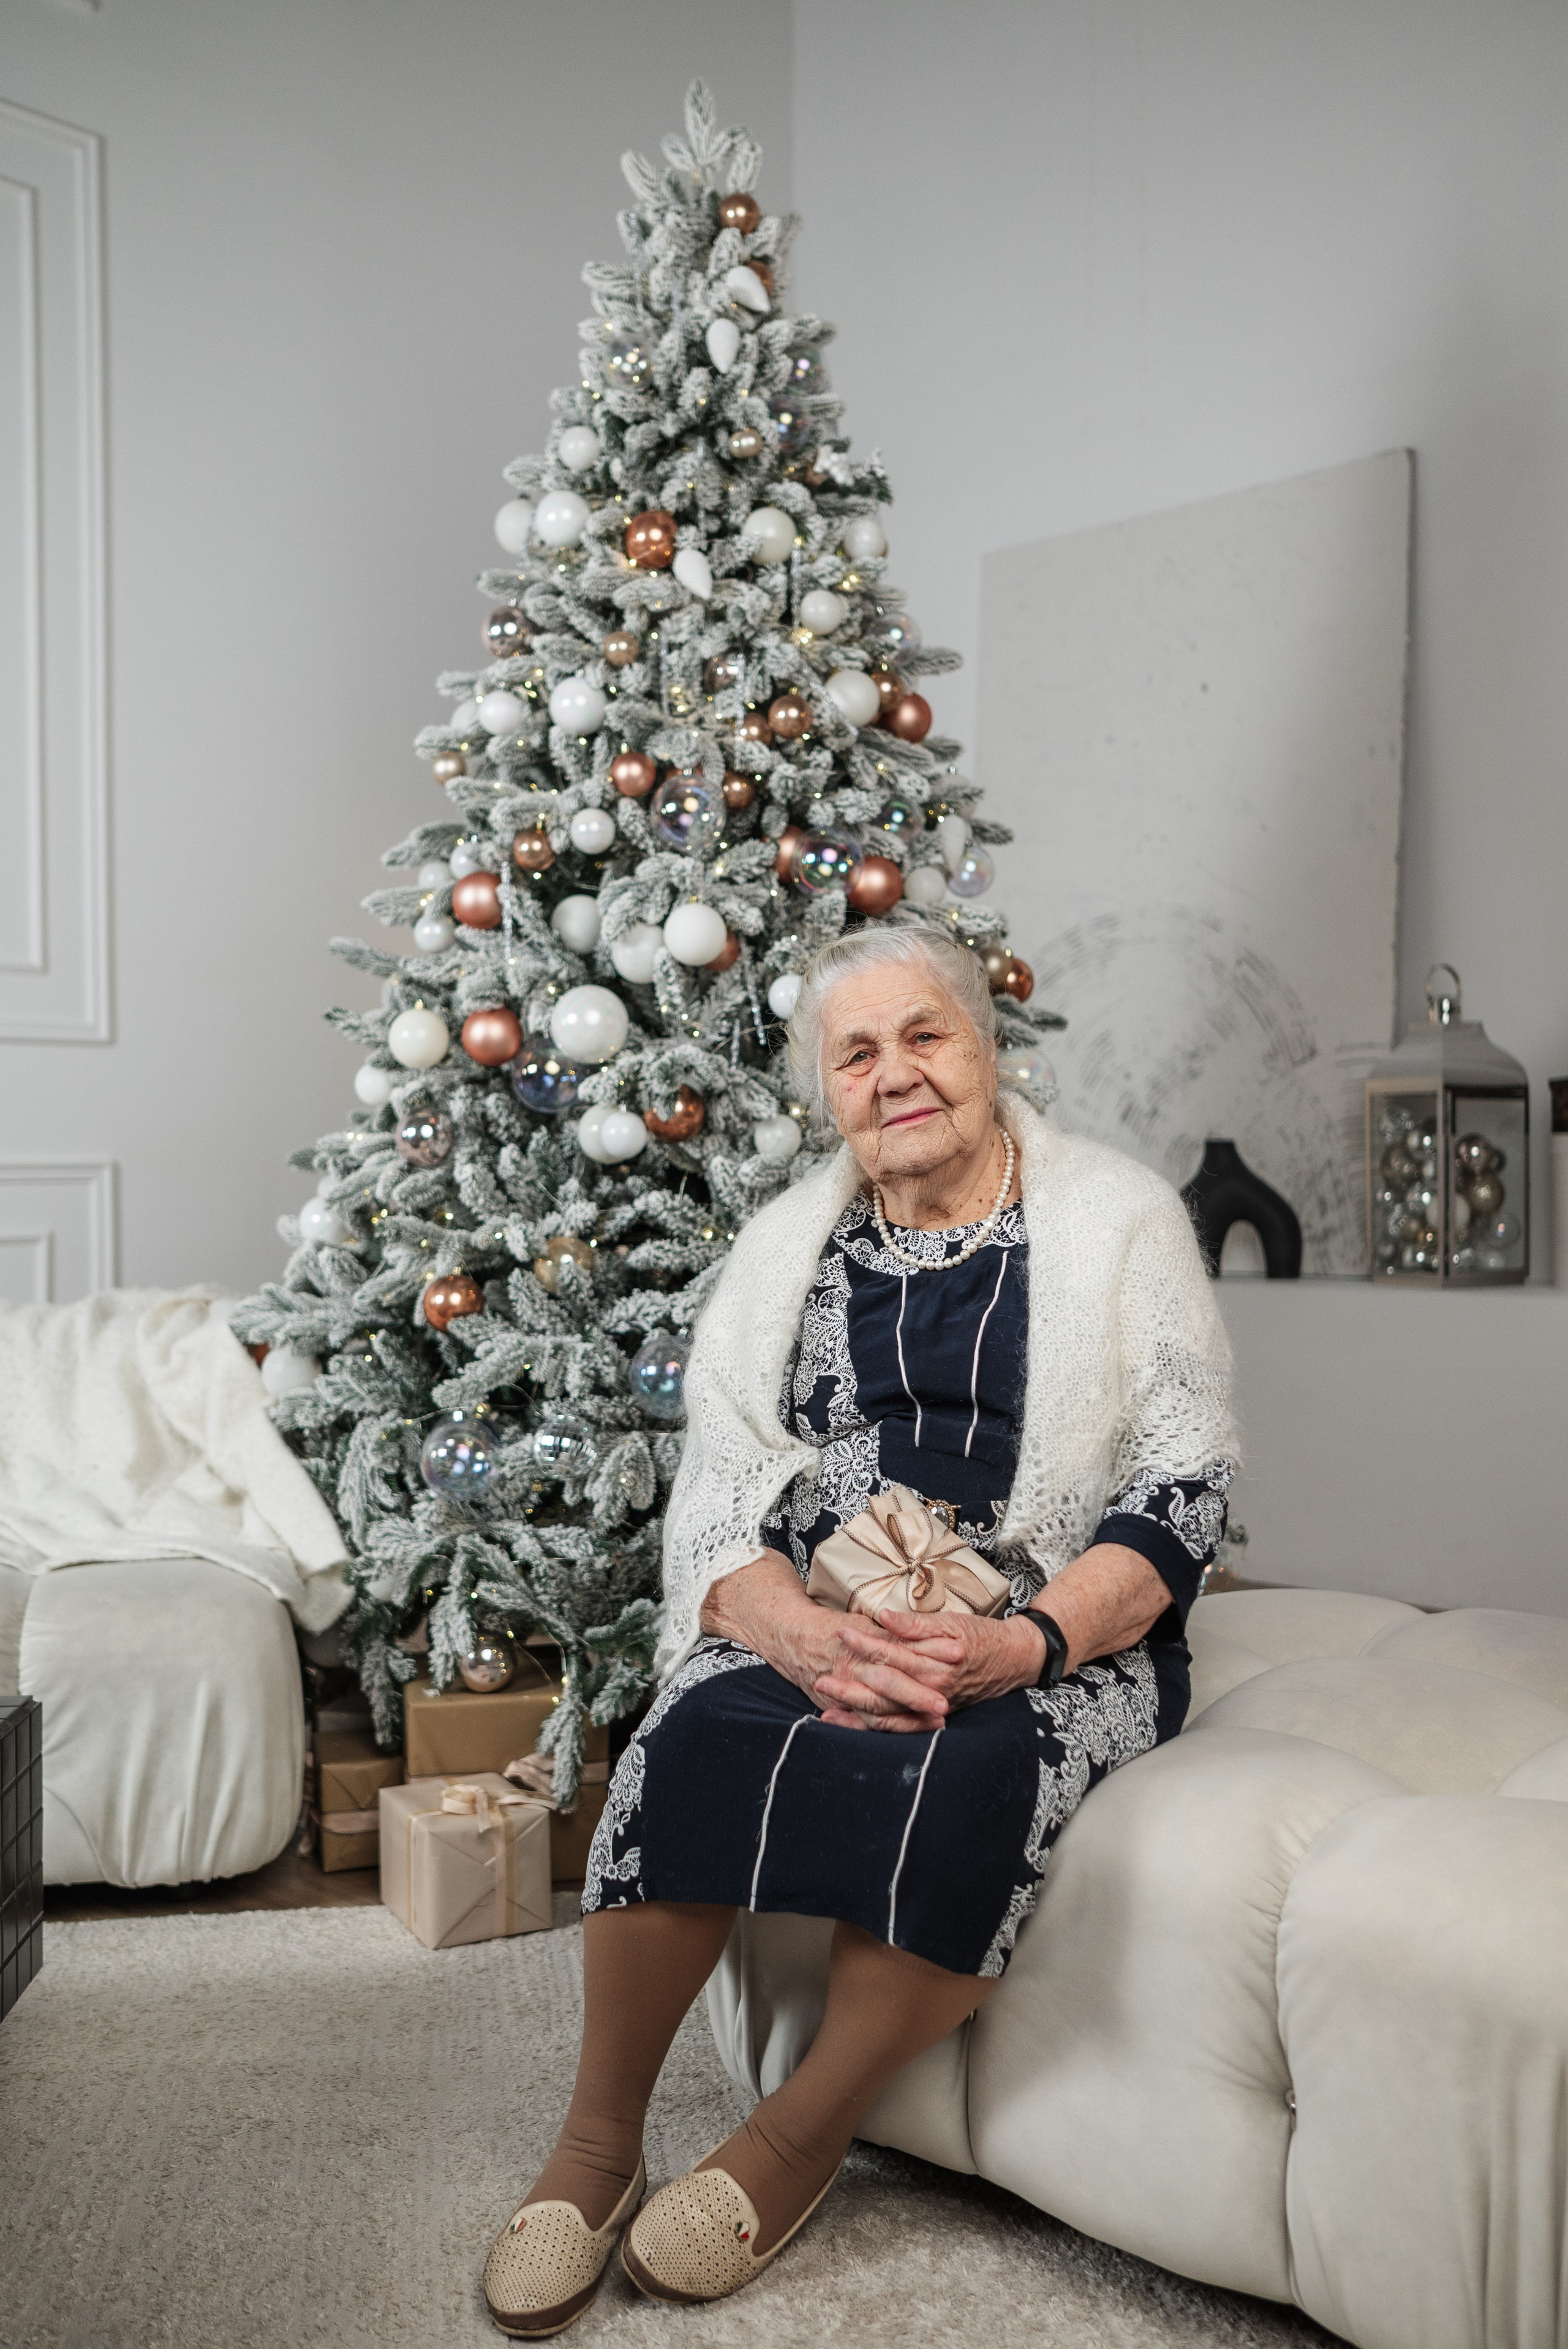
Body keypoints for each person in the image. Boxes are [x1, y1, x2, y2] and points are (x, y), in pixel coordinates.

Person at [483, 923, 1236, 2336]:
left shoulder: (1118, 1221)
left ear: (984, 1047)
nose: (895, 1074)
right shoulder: (788, 1248)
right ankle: (595, 2144)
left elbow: (1179, 1488)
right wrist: (799, 1635)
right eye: (856, 1053)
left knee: (966, 1767)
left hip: (1050, 1622)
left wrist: (1023, 1643)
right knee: (689, 1737)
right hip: (830, 1603)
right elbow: (719, 1496)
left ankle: (794, 2135)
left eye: (924, 1034)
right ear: (825, 1091)